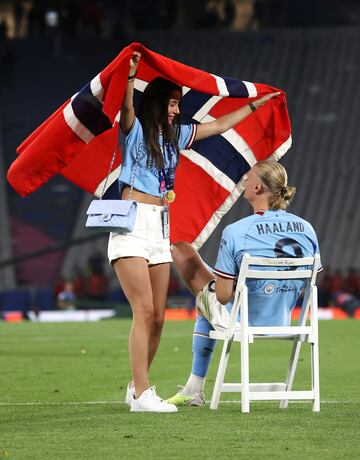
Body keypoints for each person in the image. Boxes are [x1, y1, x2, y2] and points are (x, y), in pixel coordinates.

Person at [110, 50, 280, 412]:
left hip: (160, 227)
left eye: (177, 104)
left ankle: (136, 386)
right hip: (132, 224)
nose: (176, 110)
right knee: (143, 310)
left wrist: (254, 106)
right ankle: (142, 395)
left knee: (158, 315)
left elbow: (217, 126)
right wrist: (129, 78)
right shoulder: (135, 129)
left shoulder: (176, 136)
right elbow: (126, 111)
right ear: (157, 102)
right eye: (172, 103)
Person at [167, 159, 322, 406]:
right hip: (283, 320)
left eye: (247, 178)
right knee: (213, 280)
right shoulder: (307, 229)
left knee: (181, 251)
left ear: (258, 188)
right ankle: (192, 389)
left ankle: (194, 388)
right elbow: (309, 281)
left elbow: (223, 297)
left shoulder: (237, 231)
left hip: (242, 320)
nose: (244, 182)